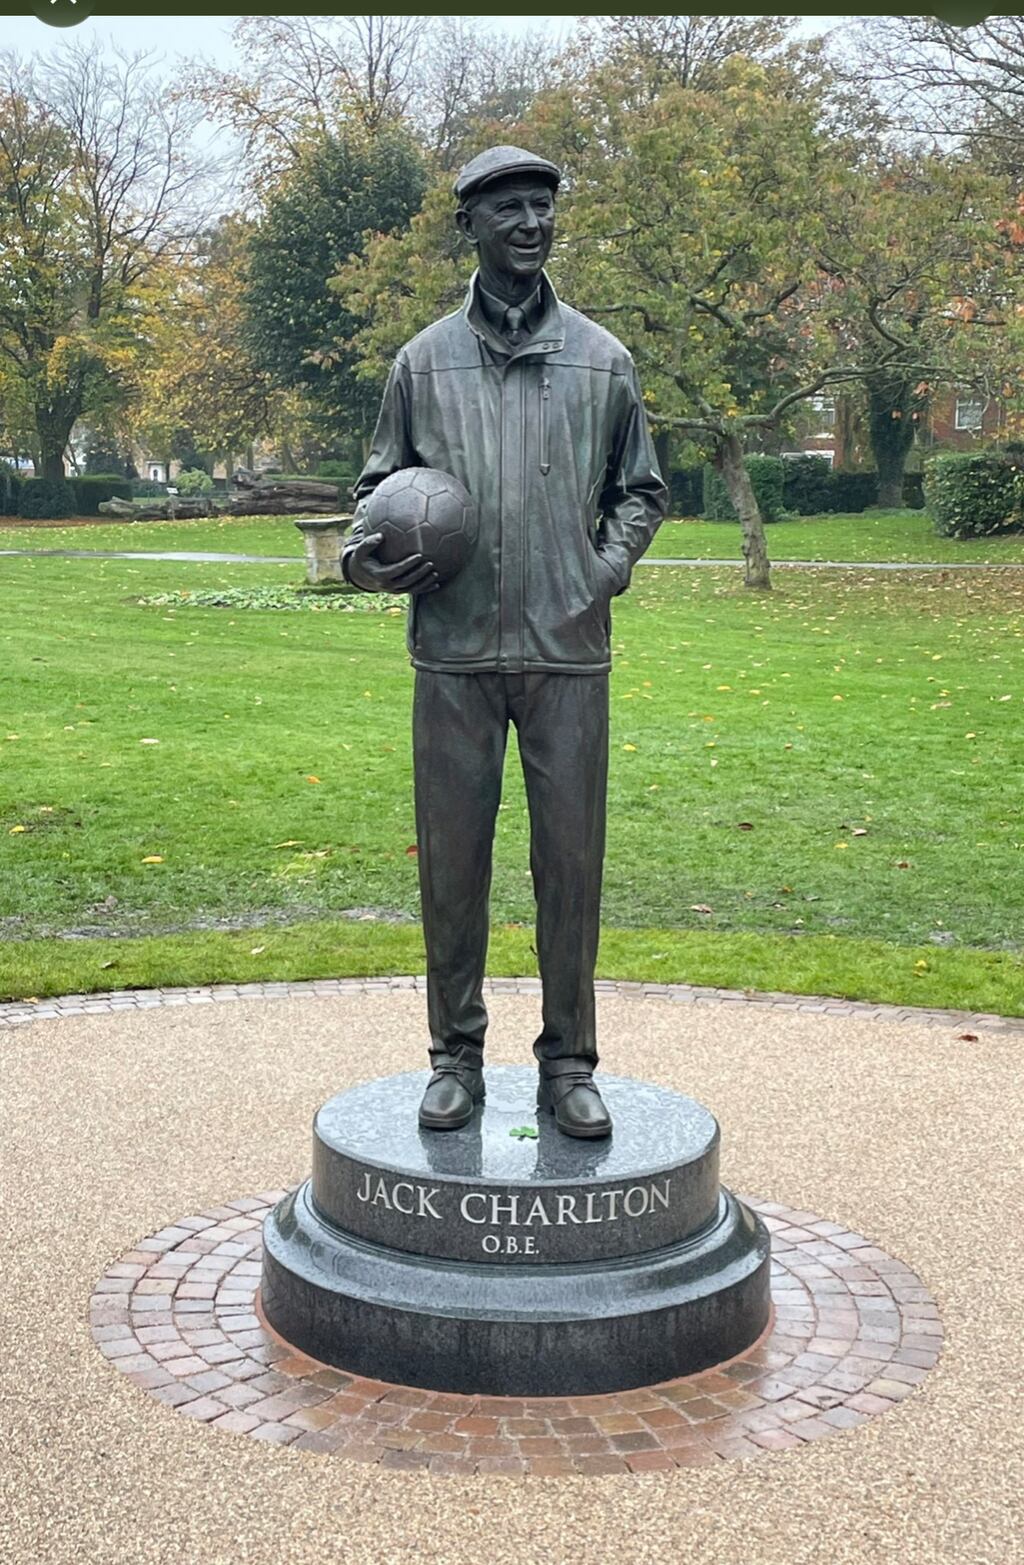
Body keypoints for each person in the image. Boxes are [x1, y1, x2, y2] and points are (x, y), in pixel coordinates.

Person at [342, 145, 667, 1138]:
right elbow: (371, 500)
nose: (531, 224)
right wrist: (367, 565)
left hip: (568, 654)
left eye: (544, 208)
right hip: (452, 658)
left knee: (571, 868)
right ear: (471, 227)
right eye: (510, 210)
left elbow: (640, 492)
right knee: (453, 867)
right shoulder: (420, 362)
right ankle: (454, 1059)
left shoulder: (602, 359)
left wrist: (597, 571)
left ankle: (569, 1063)